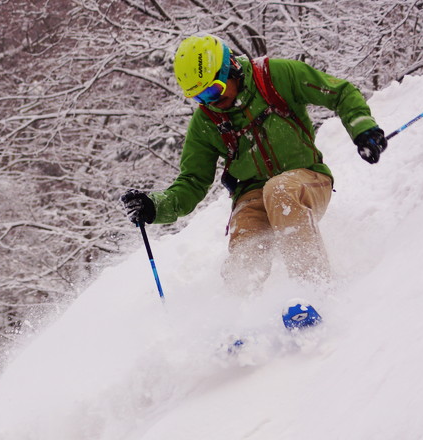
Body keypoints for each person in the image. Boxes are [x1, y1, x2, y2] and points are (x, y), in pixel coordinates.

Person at [121, 34, 386, 315]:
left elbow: (340, 92)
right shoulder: (207, 121)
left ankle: (314, 291)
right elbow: (192, 181)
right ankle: (242, 316)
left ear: (231, 69)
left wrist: (363, 129)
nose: (212, 102)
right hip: (253, 194)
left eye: (212, 91)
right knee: (245, 225)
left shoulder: (275, 77)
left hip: (307, 179)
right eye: (199, 97)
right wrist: (155, 206)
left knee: (279, 189)